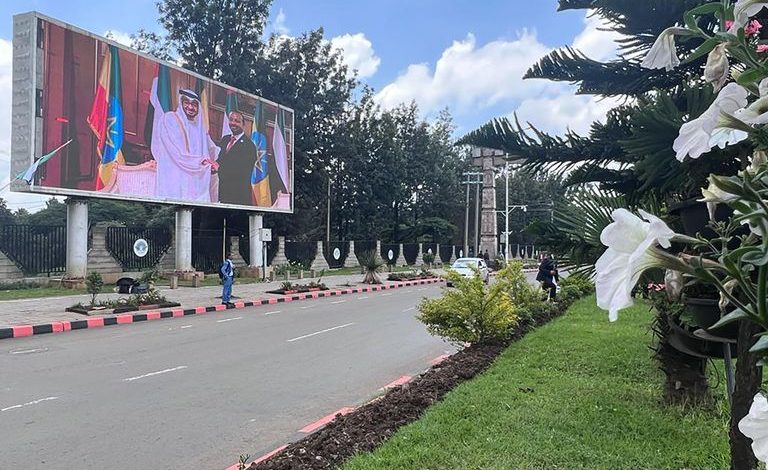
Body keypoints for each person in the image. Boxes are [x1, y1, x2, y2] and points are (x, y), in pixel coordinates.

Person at [150, 86, 219, 202]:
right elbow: (176, 153)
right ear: (181, 103)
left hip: (195, 181)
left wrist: (215, 162)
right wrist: (200, 161)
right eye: (187, 103)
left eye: (194, 104)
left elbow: (212, 150)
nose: (191, 107)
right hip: (175, 178)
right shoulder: (169, 119)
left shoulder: (199, 127)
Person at [216, 111, 259, 206]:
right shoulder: (225, 139)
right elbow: (220, 160)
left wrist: (218, 168)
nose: (233, 123)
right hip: (222, 195)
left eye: (237, 121)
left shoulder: (249, 146)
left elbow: (241, 173)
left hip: (239, 198)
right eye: (231, 120)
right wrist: (211, 165)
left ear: (243, 124)